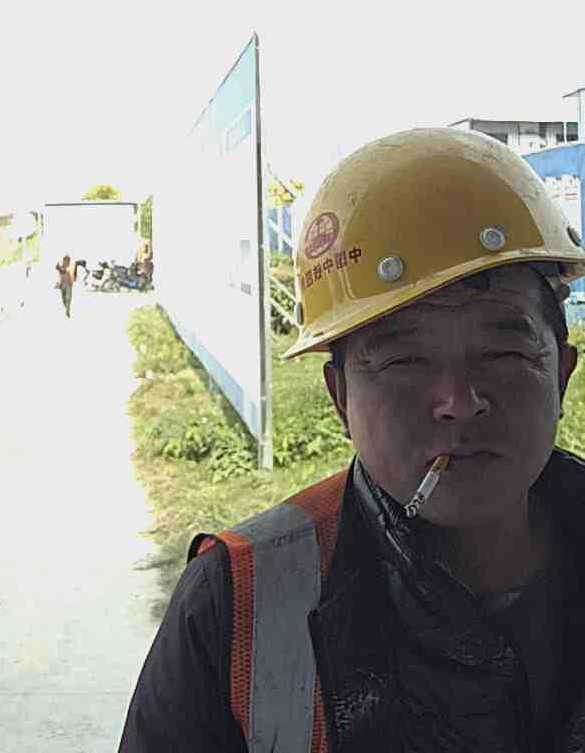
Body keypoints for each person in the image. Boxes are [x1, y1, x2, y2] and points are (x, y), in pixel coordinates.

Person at [118, 128, 585, 752]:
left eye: (502, 351)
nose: (459, 400)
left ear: (561, 372)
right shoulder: (237, 605)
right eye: (404, 361)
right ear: (340, 398)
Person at [55, 254, 74, 318]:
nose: (67, 262)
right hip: (62, 285)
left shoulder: (69, 268)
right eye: (66, 261)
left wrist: (59, 268)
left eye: (68, 261)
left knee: (68, 299)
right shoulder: (61, 267)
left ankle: (67, 311)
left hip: (68, 285)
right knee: (64, 299)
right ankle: (67, 309)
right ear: (64, 261)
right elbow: (60, 273)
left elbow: (65, 272)